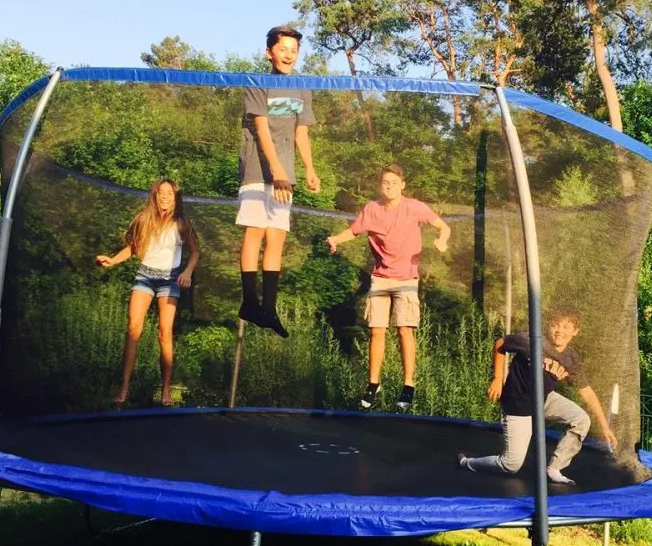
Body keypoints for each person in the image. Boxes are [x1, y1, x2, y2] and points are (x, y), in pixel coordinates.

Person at [327, 164, 451, 411]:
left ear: (402, 185)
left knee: (405, 329)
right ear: (379, 186)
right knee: (377, 330)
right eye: (385, 183)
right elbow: (353, 231)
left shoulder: (414, 207)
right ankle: (373, 383)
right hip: (381, 277)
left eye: (394, 182)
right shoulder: (372, 210)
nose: (390, 186)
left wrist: (442, 240)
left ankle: (408, 385)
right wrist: (335, 240)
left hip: (406, 278)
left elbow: (443, 226)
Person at [457, 307, 618, 485]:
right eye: (555, 326)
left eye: (566, 327)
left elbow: (587, 391)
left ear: (575, 331)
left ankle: (555, 467)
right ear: (548, 326)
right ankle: (468, 463)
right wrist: (497, 378)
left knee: (581, 419)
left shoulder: (571, 358)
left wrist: (604, 426)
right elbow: (500, 344)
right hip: (518, 403)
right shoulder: (532, 341)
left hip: (544, 399)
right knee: (510, 465)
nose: (559, 331)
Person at [237, 25, 320, 338]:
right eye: (282, 48)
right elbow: (261, 130)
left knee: (277, 238)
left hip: (286, 175)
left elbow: (301, 132)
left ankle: (268, 310)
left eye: (293, 50)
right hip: (258, 171)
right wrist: (277, 173)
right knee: (255, 232)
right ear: (269, 51)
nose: (288, 54)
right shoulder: (257, 83)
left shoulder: (303, 87)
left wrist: (309, 169)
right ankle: (249, 301)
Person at [95, 179, 199, 406]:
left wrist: (188, 273)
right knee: (133, 328)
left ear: (175, 197)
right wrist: (112, 260)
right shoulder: (145, 219)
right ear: (155, 196)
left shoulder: (182, 223)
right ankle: (124, 388)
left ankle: (166, 390)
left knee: (165, 332)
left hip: (169, 279)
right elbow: (132, 248)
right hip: (145, 275)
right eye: (161, 193)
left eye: (169, 194)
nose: (164, 197)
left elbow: (194, 253)